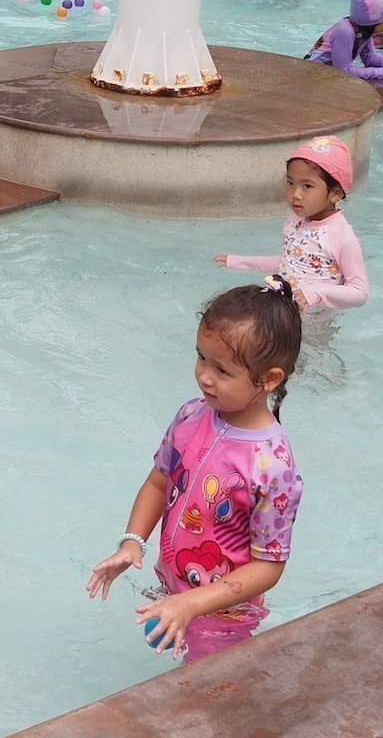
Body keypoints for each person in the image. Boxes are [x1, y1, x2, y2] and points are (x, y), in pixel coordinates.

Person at [85, 279, 305, 663]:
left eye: (222, 370)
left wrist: (194, 604)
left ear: (270, 379)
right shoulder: (190, 415)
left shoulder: (274, 467)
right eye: (202, 357)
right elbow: (159, 483)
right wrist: (132, 541)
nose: (204, 375)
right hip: (174, 590)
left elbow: (268, 566)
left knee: (207, 687)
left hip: (224, 614)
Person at [215, 135, 369, 312]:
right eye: (290, 183)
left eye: (307, 186)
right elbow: (287, 264)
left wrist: (315, 293)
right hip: (283, 310)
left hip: (315, 319)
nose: (295, 194)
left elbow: (360, 293)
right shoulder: (294, 223)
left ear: (335, 194)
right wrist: (237, 261)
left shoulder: (342, 237)